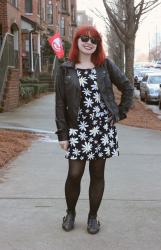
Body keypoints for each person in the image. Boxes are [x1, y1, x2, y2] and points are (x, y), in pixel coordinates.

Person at [55, 25, 134, 234]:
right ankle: (70, 213)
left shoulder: (104, 65)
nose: (89, 42)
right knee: (74, 174)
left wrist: (119, 113)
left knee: (97, 174)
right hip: (77, 129)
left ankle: (92, 217)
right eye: (85, 38)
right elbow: (60, 104)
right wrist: (62, 135)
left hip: (101, 128)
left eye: (94, 40)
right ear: (77, 41)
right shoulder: (66, 69)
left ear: (98, 44)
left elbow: (127, 86)